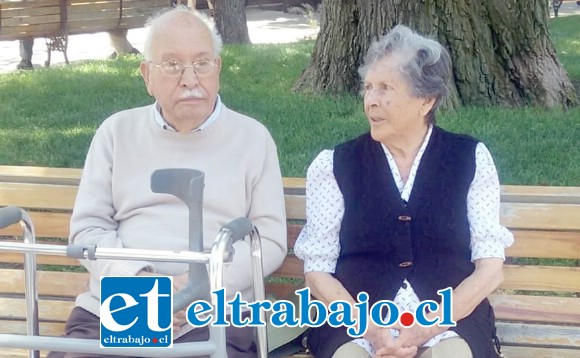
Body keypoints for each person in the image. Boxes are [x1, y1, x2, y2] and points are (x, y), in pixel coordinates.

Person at [47, 6, 287, 358]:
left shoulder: (253, 139)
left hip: (213, 313)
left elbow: (268, 240)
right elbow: (88, 230)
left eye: (202, 63)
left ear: (218, 69)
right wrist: (145, 287)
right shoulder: (116, 133)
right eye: (172, 65)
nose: (190, 78)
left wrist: (197, 290)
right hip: (122, 306)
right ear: (147, 75)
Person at [294, 24, 514, 358]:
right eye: (368, 88)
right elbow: (317, 270)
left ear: (426, 100)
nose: (371, 101)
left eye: (385, 89)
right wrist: (373, 331)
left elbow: (489, 269)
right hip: (355, 321)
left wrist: (427, 327)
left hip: (448, 321)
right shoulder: (334, 165)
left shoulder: (469, 158)